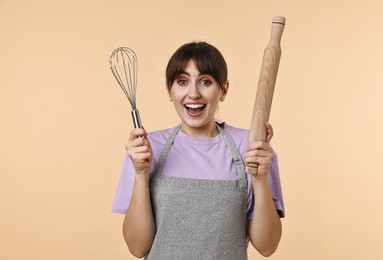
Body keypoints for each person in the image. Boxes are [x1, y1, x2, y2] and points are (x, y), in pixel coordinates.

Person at [112, 41, 285, 260]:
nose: (193, 93)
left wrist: (260, 181)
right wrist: (140, 174)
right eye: (182, 81)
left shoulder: (251, 148)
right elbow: (138, 248)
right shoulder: (145, 150)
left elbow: (267, 246)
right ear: (170, 90)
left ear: (223, 90)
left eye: (205, 82)